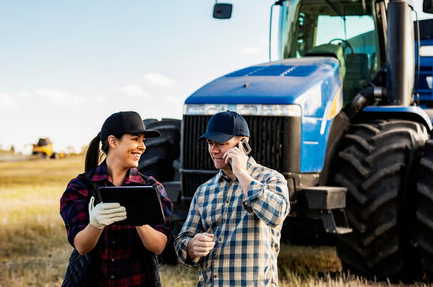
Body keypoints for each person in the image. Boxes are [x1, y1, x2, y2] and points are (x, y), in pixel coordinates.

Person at [174, 111, 290, 286]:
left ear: (243, 143)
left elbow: (276, 215)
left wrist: (241, 173)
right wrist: (190, 247)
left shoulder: (271, 179)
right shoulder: (204, 191)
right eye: (210, 143)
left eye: (221, 143)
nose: (213, 150)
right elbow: (182, 241)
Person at [60, 111, 172, 287]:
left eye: (143, 140)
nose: (142, 146)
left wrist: (139, 219)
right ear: (113, 141)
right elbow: (81, 246)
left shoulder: (153, 189)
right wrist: (95, 224)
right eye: (136, 139)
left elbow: (159, 247)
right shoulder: (80, 188)